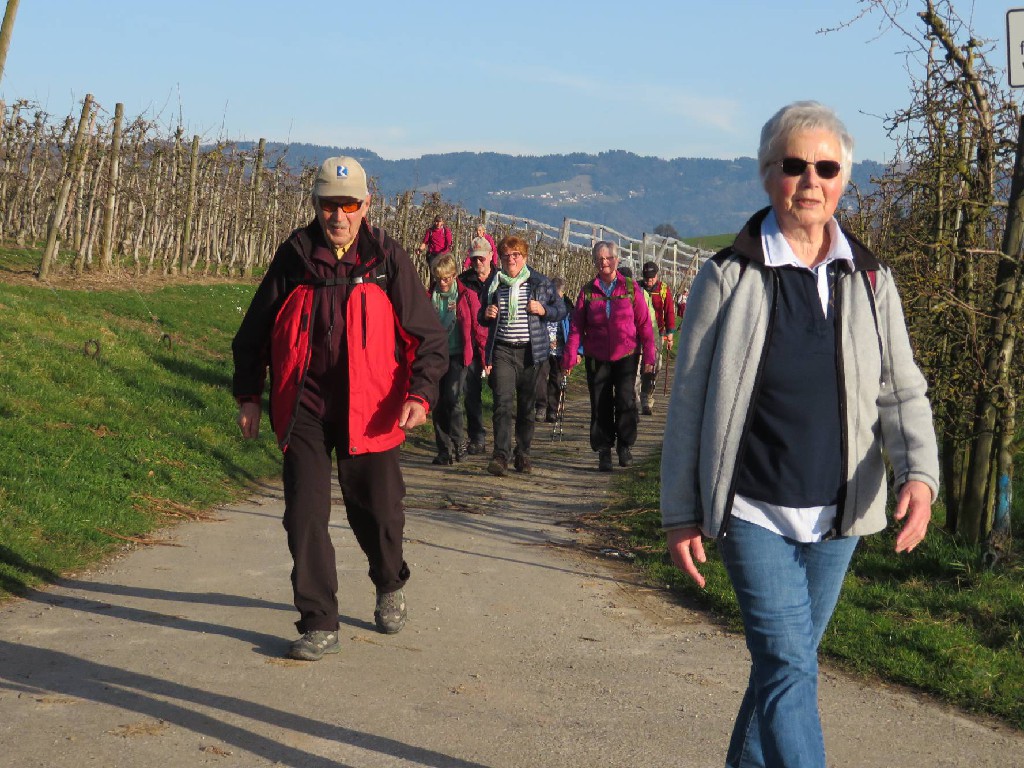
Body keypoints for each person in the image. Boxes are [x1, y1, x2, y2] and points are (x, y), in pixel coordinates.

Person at [660, 102, 940, 767]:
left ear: (844, 178)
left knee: (782, 670)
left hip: (838, 515)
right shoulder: (727, 276)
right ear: (768, 176)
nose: (809, 180)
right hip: (752, 507)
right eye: (793, 165)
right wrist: (679, 513)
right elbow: (689, 403)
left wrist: (920, 477)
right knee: (789, 667)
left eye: (825, 166)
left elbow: (901, 389)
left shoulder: (872, 282)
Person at [232, 156, 447, 661]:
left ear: (366, 206)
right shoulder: (294, 257)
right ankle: (318, 621)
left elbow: (429, 338)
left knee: (378, 514)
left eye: (348, 205)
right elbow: (253, 335)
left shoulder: (387, 260)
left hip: (371, 408)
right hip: (305, 402)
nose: (338, 216)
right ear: (316, 206)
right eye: (329, 205)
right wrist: (249, 396)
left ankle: (389, 582)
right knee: (303, 515)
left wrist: (420, 395)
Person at [563, 242, 656, 472]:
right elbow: (576, 327)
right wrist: (570, 355)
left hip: (626, 354)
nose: (604, 262)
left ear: (616, 260)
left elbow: (644, 324)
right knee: (600, 403)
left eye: (608, 258)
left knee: (626, 401)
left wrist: (649, 357)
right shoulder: (587, 291)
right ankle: (604, 450)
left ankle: (624, 446)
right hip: (597, 356)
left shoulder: (630, 288)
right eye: (599, 259)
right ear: (594, 261)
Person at [481, 235, 567, 476]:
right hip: (503, 350)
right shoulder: (495, 282)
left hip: (531, 352)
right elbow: (481, 313)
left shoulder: (539, 282)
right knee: (502, 403)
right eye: (506, 256)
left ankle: (523, 453)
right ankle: (500, 455)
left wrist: (543, 309)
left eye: (515, 255)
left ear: (525, 257)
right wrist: (486, 312)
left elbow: (561, 310)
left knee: (526, 406)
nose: (511, 260)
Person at [428, 254, 479, 465]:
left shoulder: (466, 296)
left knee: (452, 398)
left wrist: (484, 356)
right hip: (436, 355)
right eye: (439, 278)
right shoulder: (429, 296)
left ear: (453, 275)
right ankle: (444, 449)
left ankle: (459, 442)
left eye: (446, 278)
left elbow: (478, 326)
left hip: (458, 353)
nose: (443, 282)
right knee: (437, 402)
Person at [457, 240, 499, 455]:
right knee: (471, 392)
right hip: (472, 344)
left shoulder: (502, 279)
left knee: (500, 391)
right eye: (474, 257)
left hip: (499, 343)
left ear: (491, 255)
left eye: (481, 257)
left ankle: (502, 440)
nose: (478, 261)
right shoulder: (463, 281)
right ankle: (477, 436)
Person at [639, 261, 676, 415]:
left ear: (657, 276)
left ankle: (648, 397)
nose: (649, 281)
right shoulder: (637, 288)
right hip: (638, 334)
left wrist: (670, 333)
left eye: (652, 278)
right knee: (639, 365)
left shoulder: (663, 290)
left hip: (657, 334)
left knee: (655, 366)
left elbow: (669, 312)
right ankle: (638, 399)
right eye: (647, 278)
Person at [534, 276, 573, 422]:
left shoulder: (568, 307)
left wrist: (574, 351)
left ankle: (552, 409)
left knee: (556, 379)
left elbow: (571, 329)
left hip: (560, 350)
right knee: (540, 378)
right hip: (543, 347)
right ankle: (541, 407)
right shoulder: (543, 304)